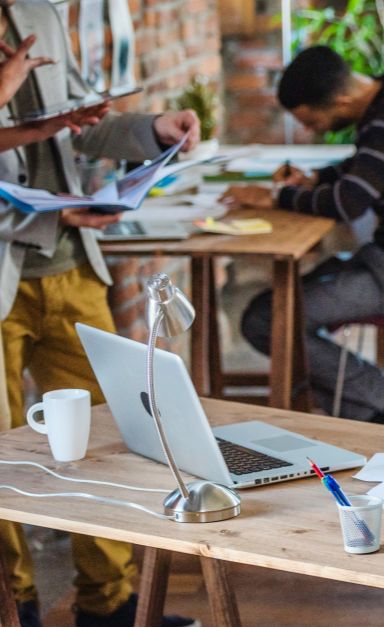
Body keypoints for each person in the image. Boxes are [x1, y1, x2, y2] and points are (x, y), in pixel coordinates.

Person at [0, 2, 200, 626]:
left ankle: (109, 606)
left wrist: (154, 129)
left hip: (72, 267)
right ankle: (15, 608)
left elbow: (82, 123)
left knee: (107, 442)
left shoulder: (38, 14)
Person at [223, 46, 384, 427]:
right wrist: (318, 179)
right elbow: (365, 166)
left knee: (269, 320)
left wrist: (275, 197)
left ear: (342, 99)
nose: (310, 130)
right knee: (275, 311)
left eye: (313, 120)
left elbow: (348, 202)